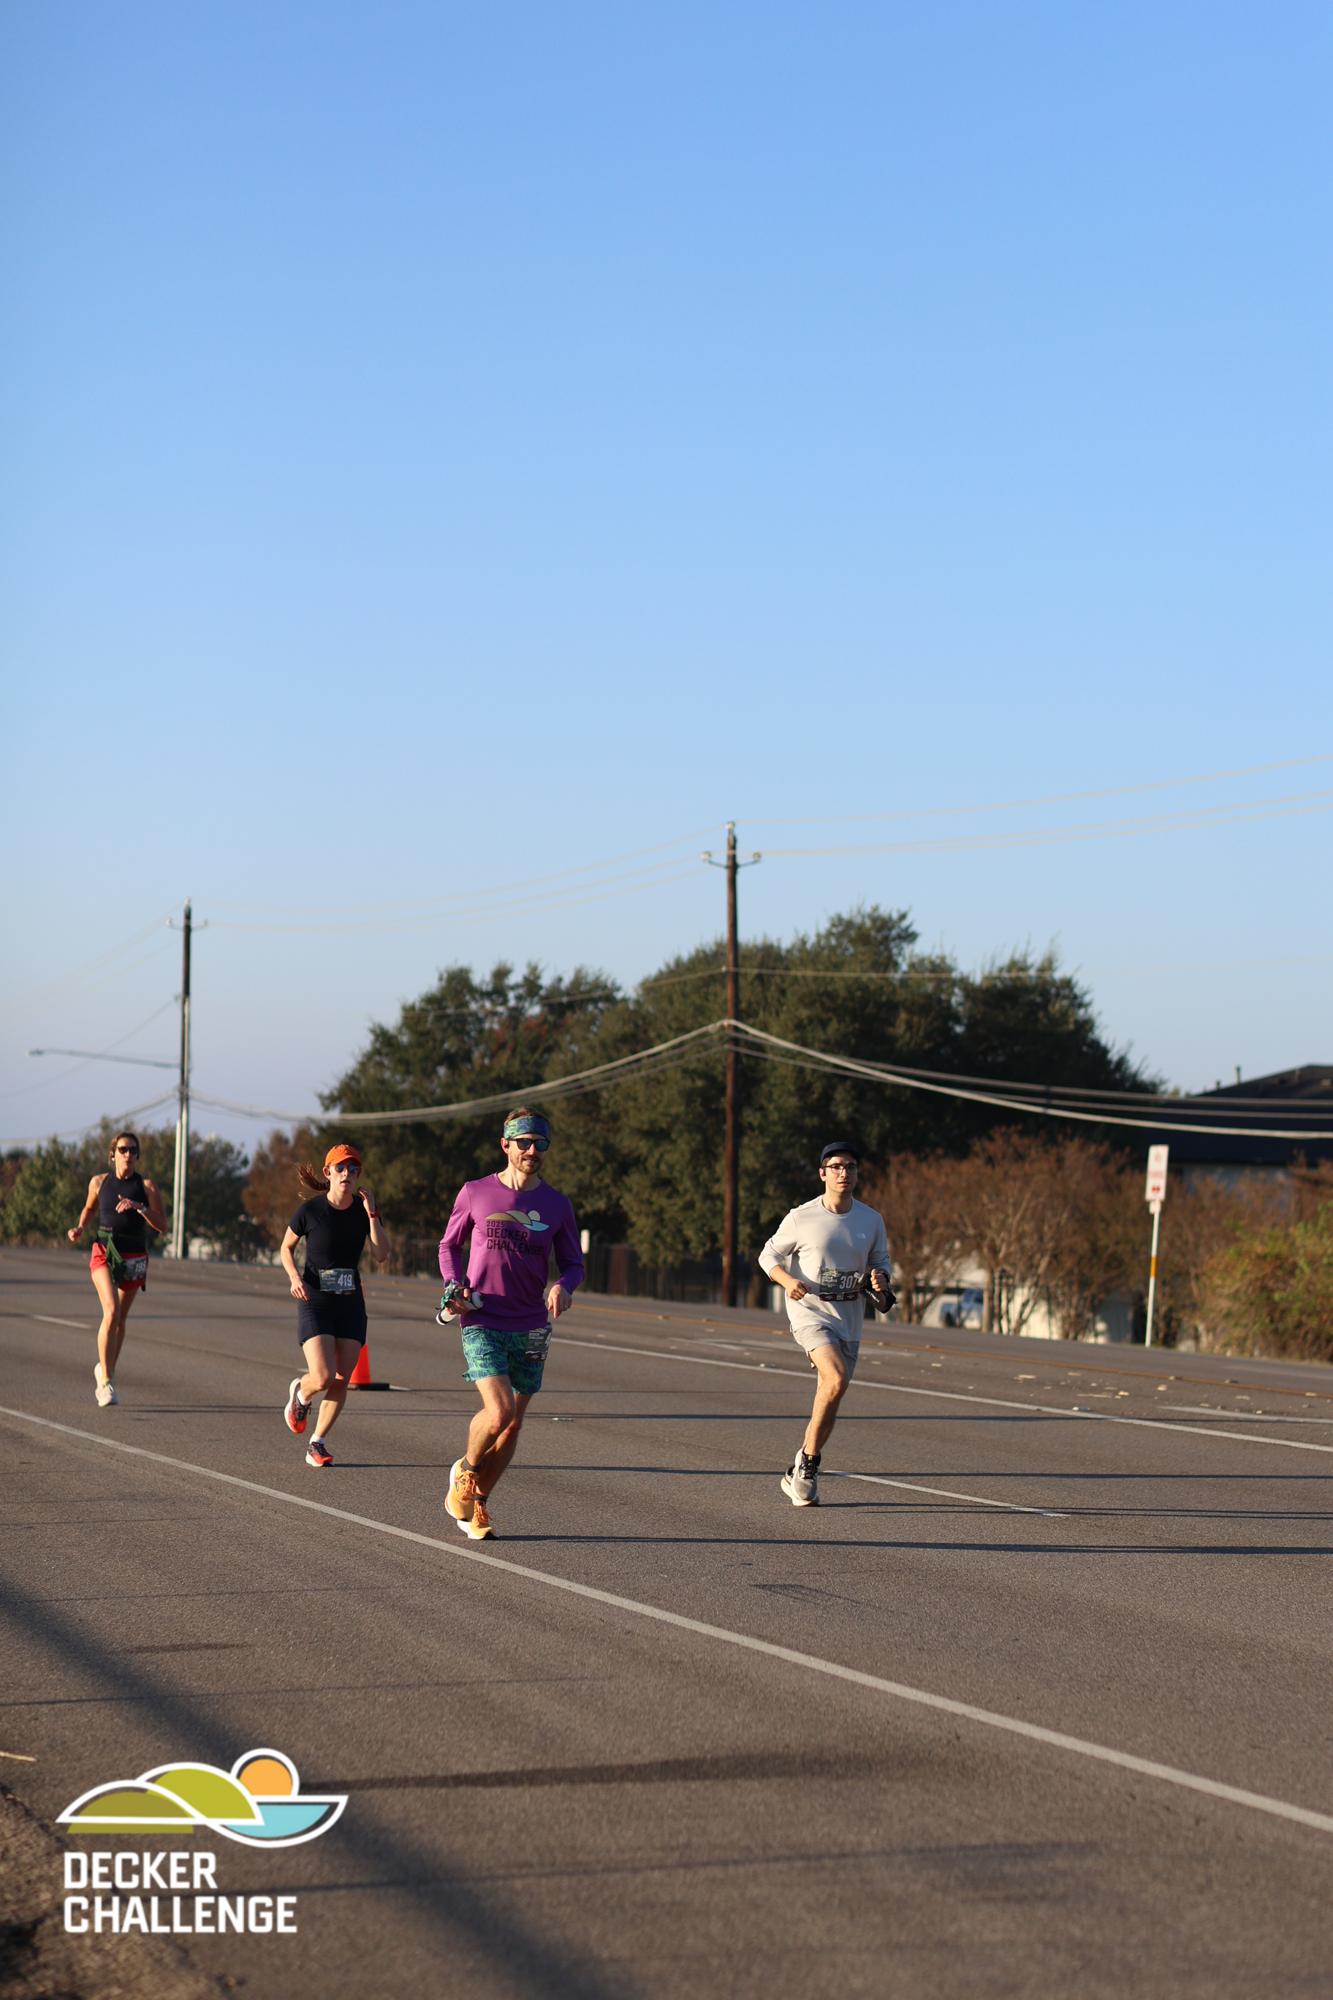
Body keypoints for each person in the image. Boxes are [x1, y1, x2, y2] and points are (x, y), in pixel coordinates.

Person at [438, 1108, 584, 1540]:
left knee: (513, 1424)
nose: (532, 1150)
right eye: (524, 1143)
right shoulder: (476, 1193)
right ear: (505, 1145)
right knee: (499, 1411)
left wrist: (563, 1286)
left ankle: (479, 1502)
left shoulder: (557, 1205)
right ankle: (466, 1471)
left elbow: (574, 1263)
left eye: (540, 1143)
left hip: (532, 1325)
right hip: (482, 1316)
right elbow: (449, 1246)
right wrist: (453, 1284)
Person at [758, 1140, 894, 1507]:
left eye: (850, 1166)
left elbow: (881, 1262)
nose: (843, 1172)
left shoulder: (871, 1220)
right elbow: (768, 1255)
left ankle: (803, 1462)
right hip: (811, 1313)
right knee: (835, 1378)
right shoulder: (802, 1217)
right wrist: (787, 1281)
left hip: (849, 1317)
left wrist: (881, 1278)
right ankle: (810, 1465)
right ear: (822, 1173)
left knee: (833, 1392)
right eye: (836, 1166)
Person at [279, 1143, 388, 1468]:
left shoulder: (363, 1211)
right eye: (340, 1168)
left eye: (353, 1169)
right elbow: (286, 1248)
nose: (347, 1174)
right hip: (315, 1299)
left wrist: (373, 1213)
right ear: (328, 1173)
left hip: (350, 1302)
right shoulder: (311, 1211)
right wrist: (294, 1277)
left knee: (342, 1378)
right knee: (323, 1376)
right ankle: (301, 1394)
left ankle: (317, 1442)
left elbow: (381, 1254)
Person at [68, 1131, 167, 1407]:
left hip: (134, 1256)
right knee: (111, 1311)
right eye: (123, 1149)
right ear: (113, 1154)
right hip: (105, 1251)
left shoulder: (147, 1187)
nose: (128, 1155)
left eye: (133, 1150)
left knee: (120, 1319)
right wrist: (80, 1227)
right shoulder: (99, 1182)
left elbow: (162, 1225)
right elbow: (89, 1208)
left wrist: (140, 1208)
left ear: (138, 1155)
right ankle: (106, 1383)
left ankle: (105, 1368)